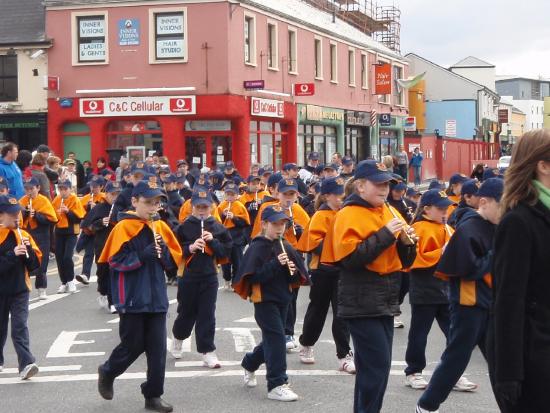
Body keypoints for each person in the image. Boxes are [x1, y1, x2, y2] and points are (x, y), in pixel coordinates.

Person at [328, 160, 417, 413]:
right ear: (360, 186)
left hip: (385, 297)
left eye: (387, 184)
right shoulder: (348, 213)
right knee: (376, 368)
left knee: (376, 368)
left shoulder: (389, 210)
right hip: (361, 298)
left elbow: (406, 261)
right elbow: (351, 259)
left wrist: (408, 243)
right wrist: (387, 234)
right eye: (378, 184)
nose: (384, 189)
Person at [416, 178, 503, 413]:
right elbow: (466, 268)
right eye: (503, 205)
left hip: (490, 302)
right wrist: (496, 255)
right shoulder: (469, 227)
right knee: (456, 358)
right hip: (469, 304)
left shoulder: (495, 225)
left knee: (501, 362)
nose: (507, 211)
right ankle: (426, 406)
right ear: (484, 202)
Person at [97, 180, 182, 413]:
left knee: (157, 351)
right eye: (148, 203)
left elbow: (172, 263)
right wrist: (141, 255)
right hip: (132, 296)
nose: (153, 207)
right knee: (132, 345)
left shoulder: (161, 227)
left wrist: (163, 252)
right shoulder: (123, 228)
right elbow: (114, 261)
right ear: (134, 201)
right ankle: (108, 370)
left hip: (156, 297)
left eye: (156, 203)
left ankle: (153, 395)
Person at [488, 129, 550, 412]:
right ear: (543, 165)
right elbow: (508, 301)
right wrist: (509, 373)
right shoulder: (519, 221)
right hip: (534, 361)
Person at [233, 205, 308, 402]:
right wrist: (276, 264)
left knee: (273, 339)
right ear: (264, 224)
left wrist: (292, 269)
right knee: (276, 340)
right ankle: (277, 383)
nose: (280, 228)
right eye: (275, 224)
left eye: (283, 223)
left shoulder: (284, 244)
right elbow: (252, 277)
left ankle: (249, 363)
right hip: (264, 300)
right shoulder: (257, 246)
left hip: (283, 298)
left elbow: (298, 273)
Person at [296, 177, 355, 373]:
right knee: (317, 310)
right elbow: (313, 243)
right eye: (338, 195)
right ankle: (306, 343)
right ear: (327, 195)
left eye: (342, 194)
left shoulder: (344, 213)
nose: (341, 198)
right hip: (322, 269)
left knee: (342, 313)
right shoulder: (320, 215)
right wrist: (336, 249)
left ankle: (344, 355)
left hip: (341, 269)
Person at [170, 189, 232, 368]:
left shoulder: (218, 227)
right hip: (188, 275)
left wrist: (213, 241)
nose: (202, 211)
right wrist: (189, 247)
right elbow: (173, 251)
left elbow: (227, 251)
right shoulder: (183, 227)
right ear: (192, 207)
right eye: (198, 207)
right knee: (186, 312)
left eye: (205, 207)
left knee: (207, 313)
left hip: (210, 275)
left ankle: (207, 350)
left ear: (211, 208)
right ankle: (178, 337)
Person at [404, 190, 455, 390]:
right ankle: (413, 371)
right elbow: (413, 260)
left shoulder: (448, 228)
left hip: (446, 290)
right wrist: (441, 252)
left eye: (446, 208)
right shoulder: (417, 228)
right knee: (419, 334)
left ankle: (453, 372)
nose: (445, 212)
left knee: (455, 334)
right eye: (440, 208)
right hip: (424, 289)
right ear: (426, 209)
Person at [0, 194, 42, 380]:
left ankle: (26, 363)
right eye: (11, 214)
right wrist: (12, 254)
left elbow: (34, 266)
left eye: (18, 213)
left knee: (19, 327)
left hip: (20, 289)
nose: (17, 217)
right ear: (1, 215)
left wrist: (29, 252)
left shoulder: (24, 235)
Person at [80, 181, 122, 313]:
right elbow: (87, 227)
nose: (115, 197)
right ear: (107, 194)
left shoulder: (121, 208)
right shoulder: (98, 208)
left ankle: (113, 302)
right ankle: (103, 292)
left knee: (114, 273)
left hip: (118, 246)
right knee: (102, 273)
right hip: (101, 246)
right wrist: (99, 223)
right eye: (112, 194)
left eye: (117, 194)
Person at [19, 177, 58, 300]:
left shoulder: (44, 201)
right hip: (27, 233)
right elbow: (18, 219)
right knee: (24, 260)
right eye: (27, 189)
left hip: (41, 234)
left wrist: (37, 215)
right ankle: (24, 287)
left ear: (38, 188)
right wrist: (25, 214)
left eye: (32, 189)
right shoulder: (22, 201)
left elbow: (51, 220)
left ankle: (42, 288)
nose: (29, 192)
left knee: (42, 260)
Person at [52, 180, 86, 294]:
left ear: (70, 189)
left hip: (71, 232)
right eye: (60, 189)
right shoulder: (56, 200)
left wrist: (68, 211)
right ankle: (64, 282)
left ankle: (71, 280)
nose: (62, 192)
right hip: (59, 231)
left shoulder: (74, 199)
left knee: (67, 257)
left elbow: (78, 218)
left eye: (65, 189)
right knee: (59, 257)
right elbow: (52, 216)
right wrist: (56, 213)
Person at [218, 182, 250, 289]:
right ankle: (227, 278)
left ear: (237, 195)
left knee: (237, 261)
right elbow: (216, 222)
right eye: (228, 194)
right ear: (225, 195)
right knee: (225, 261)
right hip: (224, 237)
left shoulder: (240, 206)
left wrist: (234, 218)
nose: (230, 197)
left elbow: (245, 223)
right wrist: (223, 215)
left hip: (237, 237)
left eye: (233, 194)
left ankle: (236, 282)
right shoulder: (221, 206)